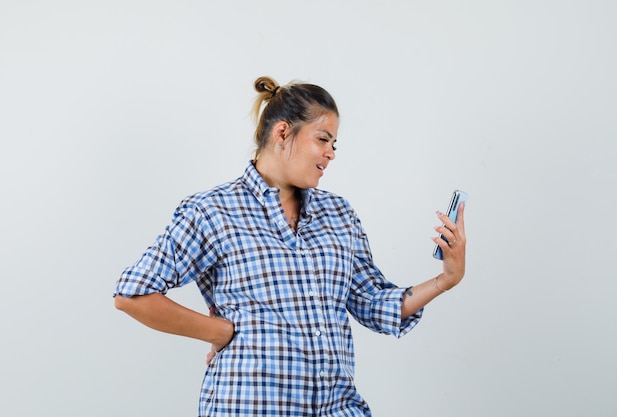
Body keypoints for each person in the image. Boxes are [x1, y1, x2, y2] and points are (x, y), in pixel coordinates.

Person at [113, 76, 467, 417]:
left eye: (334, 144)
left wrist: (445, 279)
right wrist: (220, 331)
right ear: (283, 133)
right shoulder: (212, 212)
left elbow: (374, 304)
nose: (331, 154)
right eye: (323, 139)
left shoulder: (339, 215)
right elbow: (132, 295)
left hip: (337, 408)